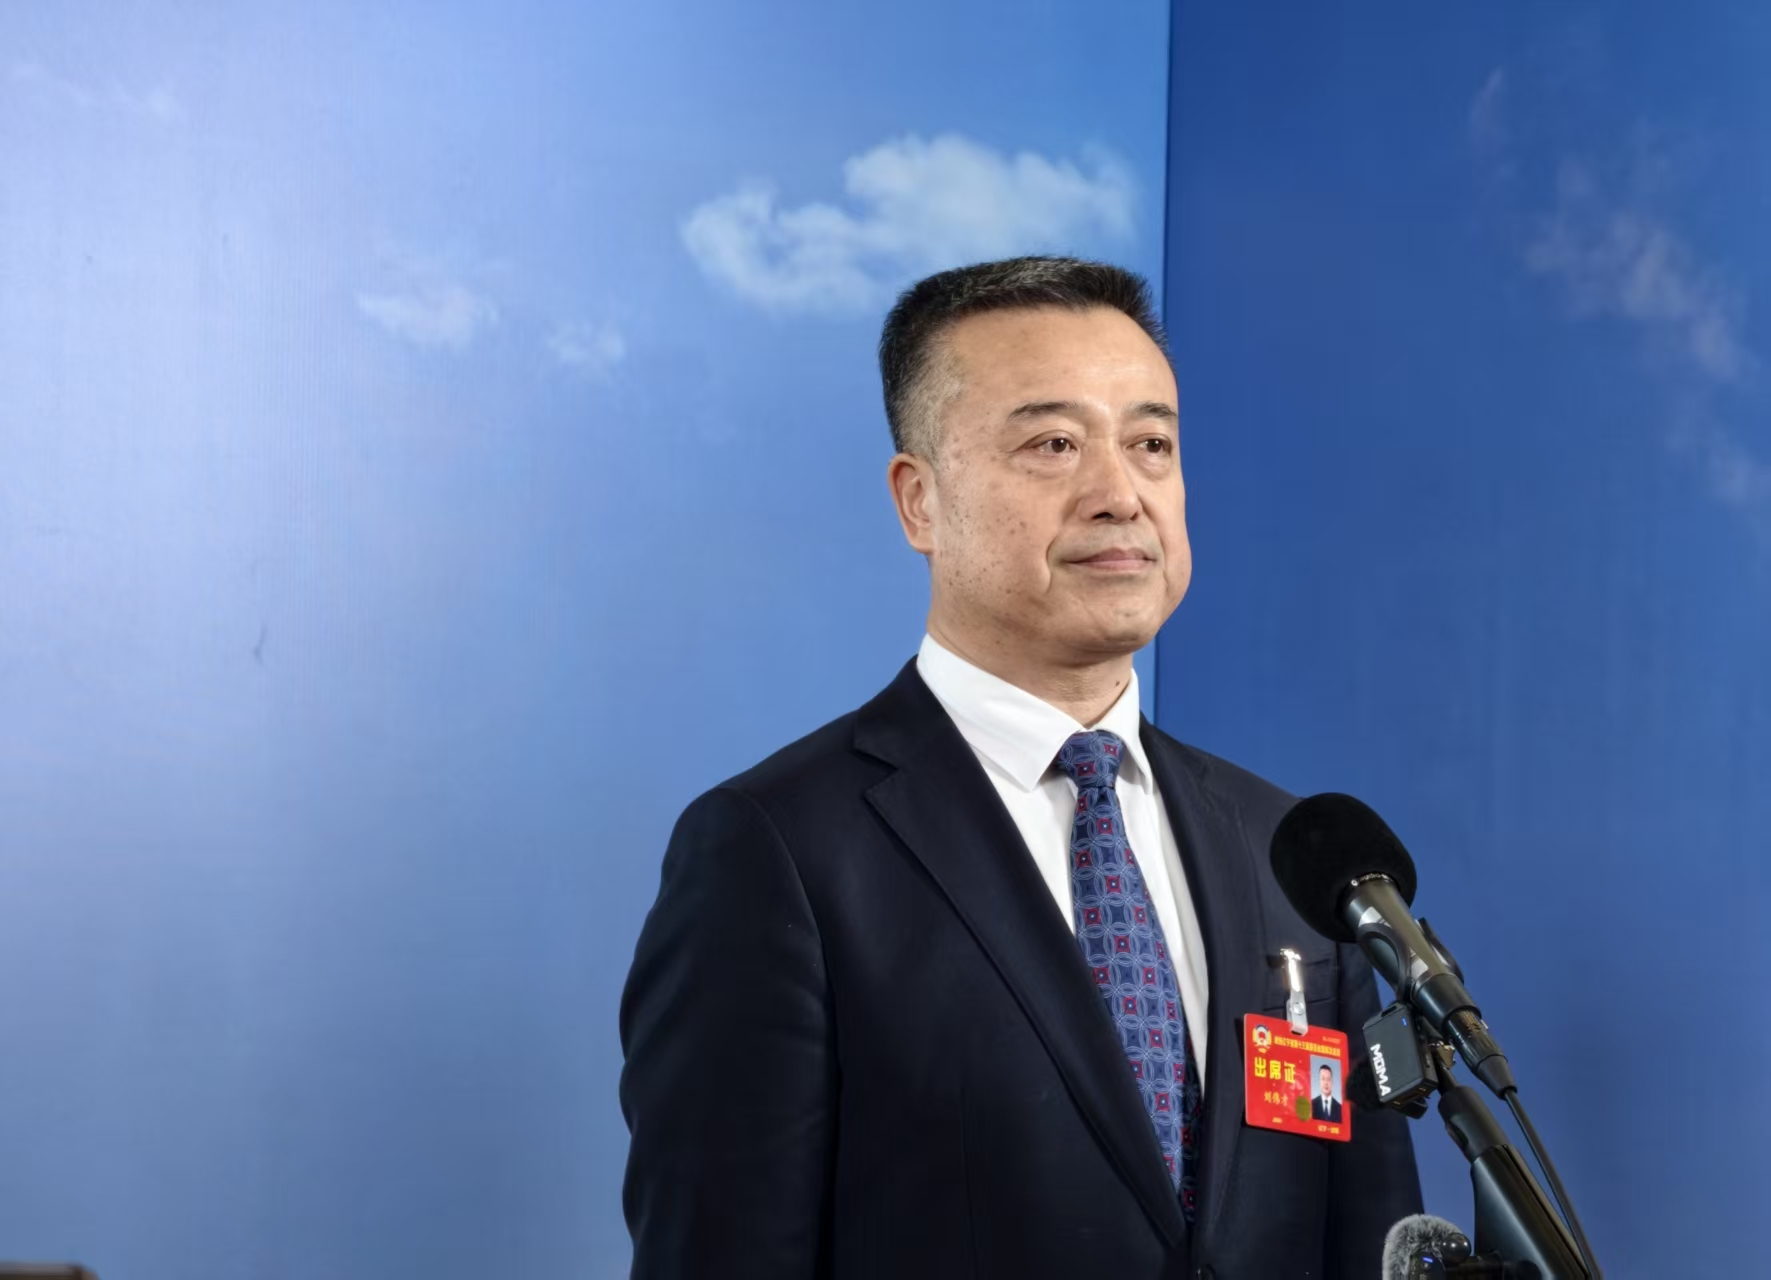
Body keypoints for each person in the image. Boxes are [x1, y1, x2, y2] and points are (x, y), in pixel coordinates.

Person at [619, 256, 1421, 1278]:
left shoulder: (1290, 853)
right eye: (1053, 444)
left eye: (1151, 444)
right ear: (919, 501)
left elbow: (1370, 1241)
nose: (1120, 495)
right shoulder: (777, 851)